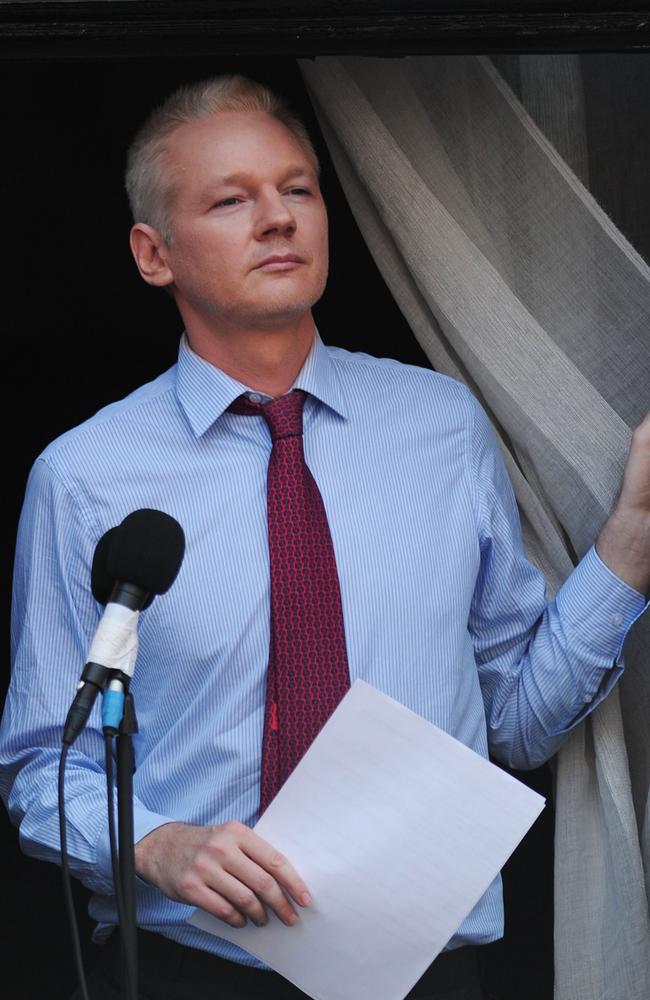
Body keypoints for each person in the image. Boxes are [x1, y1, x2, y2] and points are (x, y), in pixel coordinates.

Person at [1, 74, 648, 1000]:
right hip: (198, 970)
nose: (277, 218)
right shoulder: (85, 476)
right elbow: (41, 763)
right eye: (231, 199)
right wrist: (154, 844)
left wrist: (628, 548)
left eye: (297, 188)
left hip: (429, 970)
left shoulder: (442, 425)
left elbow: (515, 719)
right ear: (155, 254)